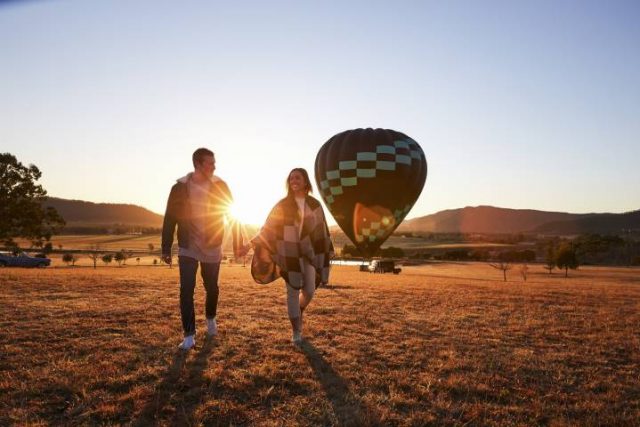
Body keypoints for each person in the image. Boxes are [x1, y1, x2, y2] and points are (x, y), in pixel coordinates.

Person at [239, 168, 334, 344]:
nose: (294, 181)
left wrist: (325, 252)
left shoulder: (315, 205)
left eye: (298, 177)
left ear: (306, 181)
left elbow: (322, 231)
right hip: (288, 253)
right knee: (292, 291)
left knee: (310, 291)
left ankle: (298, 310)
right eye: (291, 178)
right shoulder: (282, 205)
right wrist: (248, 245)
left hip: (309, 254)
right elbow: (267, 229)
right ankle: (296, 331)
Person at [162, 148, 241, 350]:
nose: (214, 166)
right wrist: (165, 247)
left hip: (213, 245)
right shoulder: (179, 188)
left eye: (214, 163)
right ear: (197, 164)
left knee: (212, 288)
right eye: (210, 163)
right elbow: (170, 218)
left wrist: (238, 244)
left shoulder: (220, 185)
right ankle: (189, 335)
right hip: (188, 246)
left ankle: (210, 318)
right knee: (186, 290)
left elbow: (232, 214)